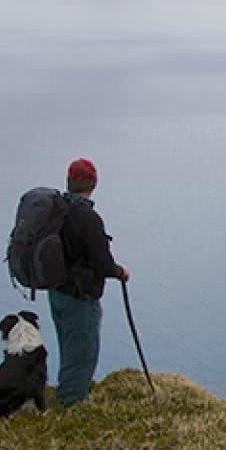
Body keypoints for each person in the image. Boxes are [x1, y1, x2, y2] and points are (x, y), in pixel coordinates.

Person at [48, 157, 129, 406]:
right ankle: (72, 404)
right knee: (82, 352)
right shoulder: (88, 219)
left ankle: (71, 392)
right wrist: (120, 272)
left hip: (57, 291)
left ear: (68, 182)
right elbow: (102, 264)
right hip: (80, 296)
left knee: (68, 345)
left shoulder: (56, 210)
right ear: (94, 183)